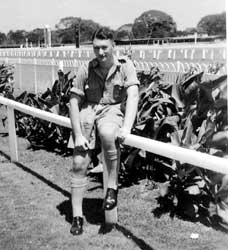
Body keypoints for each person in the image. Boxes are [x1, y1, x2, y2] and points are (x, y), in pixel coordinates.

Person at [69, 28, 139, 235]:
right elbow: (73, 103)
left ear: (113, 46)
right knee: (79, 164)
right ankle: (77, 217)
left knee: (109, 134)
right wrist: (78, 135)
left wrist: (126, 127)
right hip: (88, 112)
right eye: (96, 48)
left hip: (112, 110)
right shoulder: (86, 68)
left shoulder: (125, 66)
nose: (100, 53)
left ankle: (112, 188)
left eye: (104, 48)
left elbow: (133, 96)